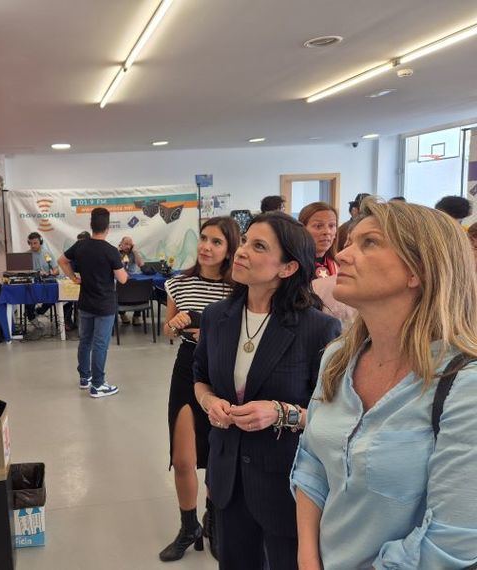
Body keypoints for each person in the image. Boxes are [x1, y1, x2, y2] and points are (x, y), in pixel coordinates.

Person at [291, 200, 477, 569]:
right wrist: (308, 559)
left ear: (417, 270)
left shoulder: (463, 387)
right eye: (349, 241)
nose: (342, 254)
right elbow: (311, 461)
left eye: (369, 243)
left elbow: (453, 540)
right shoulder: (338, 358)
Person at [193, 212, 341, 570]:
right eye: (244, 241)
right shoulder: (217, 316)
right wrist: (210, 402)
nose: (241, 251)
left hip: (287, 481)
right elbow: (199, 377)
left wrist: (280, 413)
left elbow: (335, 417)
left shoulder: (318, 328)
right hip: (228, 474)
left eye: (258, 246)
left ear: (287, 268)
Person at [159, 217, 240, 562]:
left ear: (229, 249)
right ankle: (188, 525)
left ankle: (215, 520)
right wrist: (174, 325)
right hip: (187, 368)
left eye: (216, 242)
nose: (206, 246)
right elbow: (168, 329)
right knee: (182, 459)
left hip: (225, 373)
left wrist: (207, 332)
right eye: (204, 239)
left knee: (219, 455)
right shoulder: (179, 284)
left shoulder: (239, 289)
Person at [59, 208, 128, 398]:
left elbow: (61, 260)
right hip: (104, 305)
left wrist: (73, 277)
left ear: (91, 225)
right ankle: (98, 385)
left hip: (85, 303)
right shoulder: (111, 251)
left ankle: (85, 378)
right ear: (107, 227)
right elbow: (122, 279)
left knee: (85, 341)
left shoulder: (80, 246)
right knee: (100, 344)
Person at [25, 231, 58, 324]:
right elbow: (23, 271)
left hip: (46, 280)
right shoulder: (26, 255)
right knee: (27, 292)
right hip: (32, 282)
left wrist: (49, 273)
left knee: (54, 291)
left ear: (41, 242)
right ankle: (31, 316)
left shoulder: (46, 254)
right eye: (30, 243)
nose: (32, 245)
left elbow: (56, 270)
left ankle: (41, 310)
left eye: (35, 243)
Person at [298, 202, 338, 279]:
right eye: (318, 226)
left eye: (331, 226)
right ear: (302, 230)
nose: (327, 232)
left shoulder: (340, 265)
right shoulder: (293, 266)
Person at [63, 231, 91, 331]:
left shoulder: (94, 253)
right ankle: (68, 321)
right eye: (78, 243)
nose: (79, 245)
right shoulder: (74, 254)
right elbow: (68, 267)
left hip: (90, 287)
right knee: (67, 298)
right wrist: (74, 277)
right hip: (76, 283)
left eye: (82, 242)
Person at [117, 235, 144, 325]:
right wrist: (117, 253)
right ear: (121, 244)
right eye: (126, 244)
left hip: (133, 278)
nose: (128, 246)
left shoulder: (133, 252)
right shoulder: (116, 252)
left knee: (142, 289)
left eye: (130, 244)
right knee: (117, 289)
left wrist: (135, 251)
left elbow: (140, 264)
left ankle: (136, 315)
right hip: (120, 279)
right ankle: (122, 313)